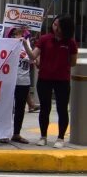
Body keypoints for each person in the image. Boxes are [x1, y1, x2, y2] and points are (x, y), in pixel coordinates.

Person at [28, 16, 78, 148]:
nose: (55, 27)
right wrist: (24, 44)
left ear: (65, 28)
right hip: (45, 78)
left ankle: (60, 138)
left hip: (62, 80)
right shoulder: (44, 39)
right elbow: (33, 56)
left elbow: (73, 62)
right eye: (54, 24)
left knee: (62, 109)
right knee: (45, 108)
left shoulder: (71, 43)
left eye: (58, 25)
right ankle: (43, 136)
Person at [5, 27, 32, 144]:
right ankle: (4, 133)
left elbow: (33, 59)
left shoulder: (27, 44)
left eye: (21, 33)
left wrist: (25, 45)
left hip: (24, 81)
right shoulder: (7, 45)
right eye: (16, 34)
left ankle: (16, 133)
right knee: (7, 108)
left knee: (20, 109)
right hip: (10, 81)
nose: (18, 36)